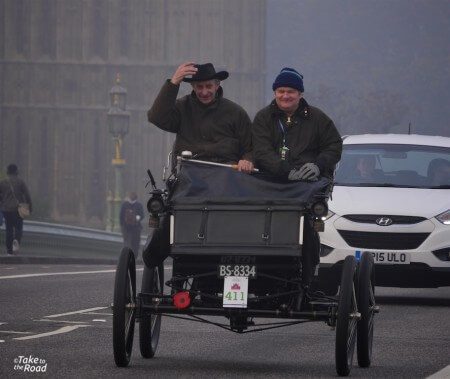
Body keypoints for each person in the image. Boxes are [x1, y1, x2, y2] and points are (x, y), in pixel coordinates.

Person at [252, 67, 343, 287]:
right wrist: (285, 170)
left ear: (300, 94)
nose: (285, 96)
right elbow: (261, 150)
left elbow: (334, 145)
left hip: (307, 186)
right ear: (275, 92)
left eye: (291, 91)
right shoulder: (263, 118)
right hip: (270, 183)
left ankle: (308, 273)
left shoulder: (318, 118)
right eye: (281, 91)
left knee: (308, 227)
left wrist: (318, 165)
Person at [147, 62, 254, 173]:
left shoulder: (236, 113)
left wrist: (247, 160)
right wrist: (173, 83)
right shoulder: (182, 108)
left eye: (208, 86)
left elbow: (250, 147)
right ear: (193, 86)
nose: (204, 92)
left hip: (225, 178)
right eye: (199, 87)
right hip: (189, 177)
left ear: (217, 85)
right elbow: (156, 117)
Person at [0, 164, 32, 255]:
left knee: (9, 230)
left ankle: (9, 251)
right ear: (16, 172)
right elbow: (27, 195)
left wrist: (3, 202)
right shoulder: (20, 182)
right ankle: (16, 241)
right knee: (18, 228)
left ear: (7, 172)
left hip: (6, 210)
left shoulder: (2, 183)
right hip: (18, 209)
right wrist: (30, 206)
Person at [119, 192, 145, 259]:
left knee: (133, 242)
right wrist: (123, 224)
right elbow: (121, 216)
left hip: (134, 227)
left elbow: (142, 215)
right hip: (129, 227)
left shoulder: (136, 205)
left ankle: (132, 256)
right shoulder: (127, 204)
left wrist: (135, 219)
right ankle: (129, 256)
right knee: (129, 243)